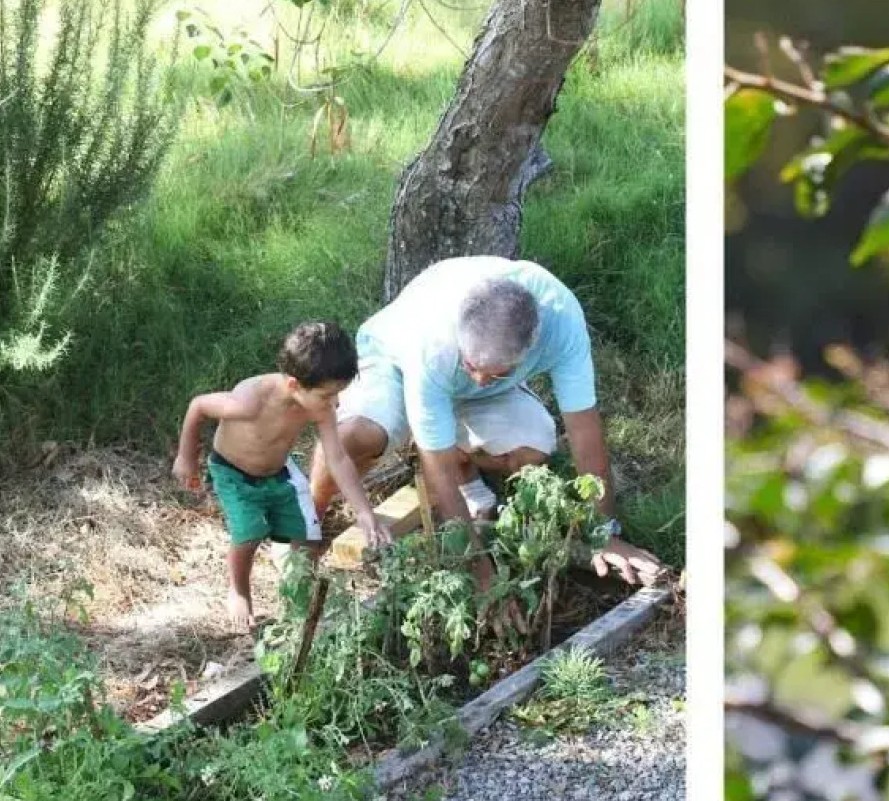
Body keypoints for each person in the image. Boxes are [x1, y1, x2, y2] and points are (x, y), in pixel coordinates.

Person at [309, 256, 664, 600]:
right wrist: (478, 570)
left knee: (531, 449)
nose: (480, 381)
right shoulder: (433, 346)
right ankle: (309, 517)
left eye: (496, 372)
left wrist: (603, 532)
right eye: (473, 366)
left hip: (456, 375)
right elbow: (438, 468)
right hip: (396, 366)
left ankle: (468, 470)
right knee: (357, 436)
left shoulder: (560, 320)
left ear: (531, 347)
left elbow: (584, 427)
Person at [173, 321, 392, 629]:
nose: (336, 404)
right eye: (328, 395)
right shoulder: (249, 400)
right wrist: (186, 457)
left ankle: (297, 595)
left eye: (338, 394)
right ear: (293, 385)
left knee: (304, 535)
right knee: (249, 533)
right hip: (234, 473)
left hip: (278, 472)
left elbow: (338, 458)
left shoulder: (319, 406)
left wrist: (364, 511)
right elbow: (198, 406)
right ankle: (238, 590)